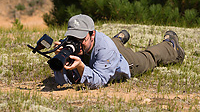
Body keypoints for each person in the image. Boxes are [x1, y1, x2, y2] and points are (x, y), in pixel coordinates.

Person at [53, 14, 185, 89]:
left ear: (92, 34)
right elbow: (64, 81)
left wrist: (81, 67)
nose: (76, 43)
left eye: (81, 39)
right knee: (111, 44)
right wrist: (61, 60)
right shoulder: (72, 43)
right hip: (106, 52)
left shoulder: (105, 48)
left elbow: (99, 81)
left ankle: (170, 45)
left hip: (125, 61)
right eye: (72, 38)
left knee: (149, 57)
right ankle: (119, 38)